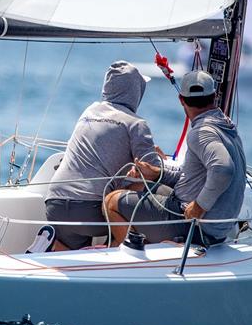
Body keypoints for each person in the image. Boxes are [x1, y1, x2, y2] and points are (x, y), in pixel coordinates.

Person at [30, 61, 162, 252]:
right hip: (89, 212)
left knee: (71, 253)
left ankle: (51, 247)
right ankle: (116, 250)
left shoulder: (89, 111)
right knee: (146, 189)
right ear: (136, 91)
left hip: (55, 203)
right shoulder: (136, 124)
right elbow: (153, 173)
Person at [103, 70, 246, 247]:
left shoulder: (202, 132)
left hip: (194, 228)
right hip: (216, 228)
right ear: (214, 96)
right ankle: (151, 243)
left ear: (181, 99)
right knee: (147, 186)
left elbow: (223, 169)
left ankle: (131, 256)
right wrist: (156, 173)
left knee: (111, 201)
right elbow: (192, 176)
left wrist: (199, 206)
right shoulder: (226, 126)